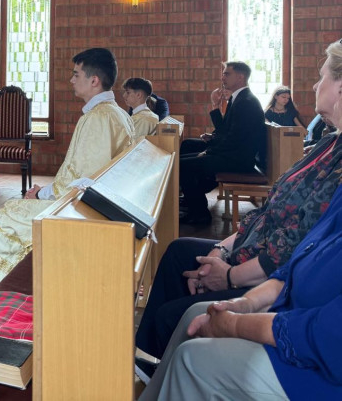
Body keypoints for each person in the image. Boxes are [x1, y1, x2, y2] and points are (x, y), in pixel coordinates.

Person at [136, 39, 342, 363]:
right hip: (252, 242)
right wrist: (220, 249)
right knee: (177, 252)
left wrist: (229, 274)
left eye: (321, 77)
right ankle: (146, 360)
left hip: (268, 269)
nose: (315, 85)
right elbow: (268, 209)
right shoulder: (327, 144)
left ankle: (160, 360)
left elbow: (295, 244)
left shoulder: (249, 102)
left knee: (171, 316)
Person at [139, 119, 342, 400]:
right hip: (287, 299)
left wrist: (233, 315)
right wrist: (243, 300)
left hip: (316, 362)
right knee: (190, 305)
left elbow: (327, 336)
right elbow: (298, 255)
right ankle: (148, 370)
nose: (318, 90)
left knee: (192, 356)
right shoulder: (331, 150)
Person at [0, 47, 134, 291]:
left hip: (85, 212)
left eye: (76, 74)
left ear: (94, 80)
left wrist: (41, 193)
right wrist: (45, 191)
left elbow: (82, 180)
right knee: (13, 209)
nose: (71, 80)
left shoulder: (100, 118)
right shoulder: (116, 113)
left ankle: (15, 292)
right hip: (93, 204)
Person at [179, 61, 266, 225]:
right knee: (188, 145)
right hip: (233, 152)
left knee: (182, 165)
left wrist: (208, 151)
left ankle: (200, 214)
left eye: (227, 74)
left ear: (240, 77)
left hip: (238, 159)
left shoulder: (246, 102)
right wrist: (215, 110)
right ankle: (192, 200)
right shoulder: (239, 98)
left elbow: (233, 139)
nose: (222, 77)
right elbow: (226, 130)